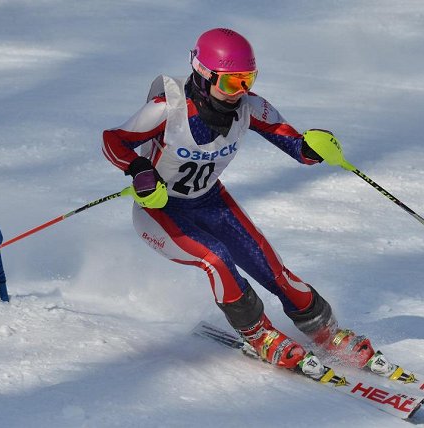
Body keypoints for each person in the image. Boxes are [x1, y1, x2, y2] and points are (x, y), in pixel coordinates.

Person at [102, 28, 396, 378]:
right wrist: (139, 169)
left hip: (211, 201)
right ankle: (258, 334)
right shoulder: (168, 109)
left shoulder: (250, 108)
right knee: (216, 259)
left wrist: (314, 148)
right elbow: (113, 140)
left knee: (271, 268)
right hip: (160, 210)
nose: (239, 92)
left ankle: (325, 332)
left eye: (247, 80)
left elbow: (295, 144)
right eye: (231, 83)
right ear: (204, 75)